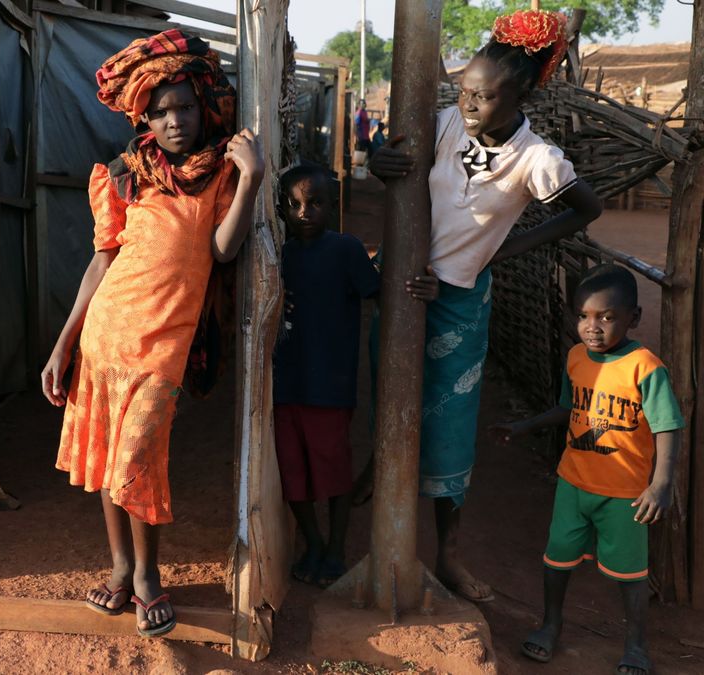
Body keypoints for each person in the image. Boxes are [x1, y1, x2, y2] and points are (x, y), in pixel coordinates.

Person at [366, 8, 603, 603]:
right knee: (389, 393)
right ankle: (379, 491)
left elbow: (586, 209)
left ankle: (447, 554)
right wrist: (378, 160)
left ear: (520, 93)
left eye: (484, 97)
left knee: (450, 427)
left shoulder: (537, 159)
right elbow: (387, 158)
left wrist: (505, 248)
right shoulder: (443, 125)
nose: (469, 106)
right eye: (465, 92)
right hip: (402, 287)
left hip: (461, 301)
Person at [41, 29, 264, 638]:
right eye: (161, 111)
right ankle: (120, 568)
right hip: (105, 338)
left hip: (163, 347)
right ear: (143, 115)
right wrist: (64, 342)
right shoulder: (124, 176)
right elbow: (101, 262)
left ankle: (146, 577)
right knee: (109, 462)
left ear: (203, 106)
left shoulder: (217, 173)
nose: (174, 122)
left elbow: (222, 250)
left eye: (185, 107)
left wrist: (251, 179)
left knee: (137, 457)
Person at [491, 264, 681, 675]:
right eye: (583, 316)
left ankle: (636, 645)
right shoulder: (577, 357)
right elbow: (568, 407)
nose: (592, 327)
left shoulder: (646, 368)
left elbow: (667, 426)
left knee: (630, 574)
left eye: (606, 317)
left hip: (625, 492)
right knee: (557, 559)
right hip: (573, 483)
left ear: (634, 318)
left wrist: (661, 483)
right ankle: (550, 625)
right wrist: (525, 425)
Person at [273, 162, 437, 586]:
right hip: (285, 381)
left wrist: (423, 285)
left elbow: (381, 291)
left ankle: (335, 548)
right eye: (293, 205)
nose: (303, 212)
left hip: (330, 382)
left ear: (333, 205)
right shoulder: (278, 255)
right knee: (293, 470)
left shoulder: (345, 250)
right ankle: (311, 540)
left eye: (314, 203)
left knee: (332, 469)